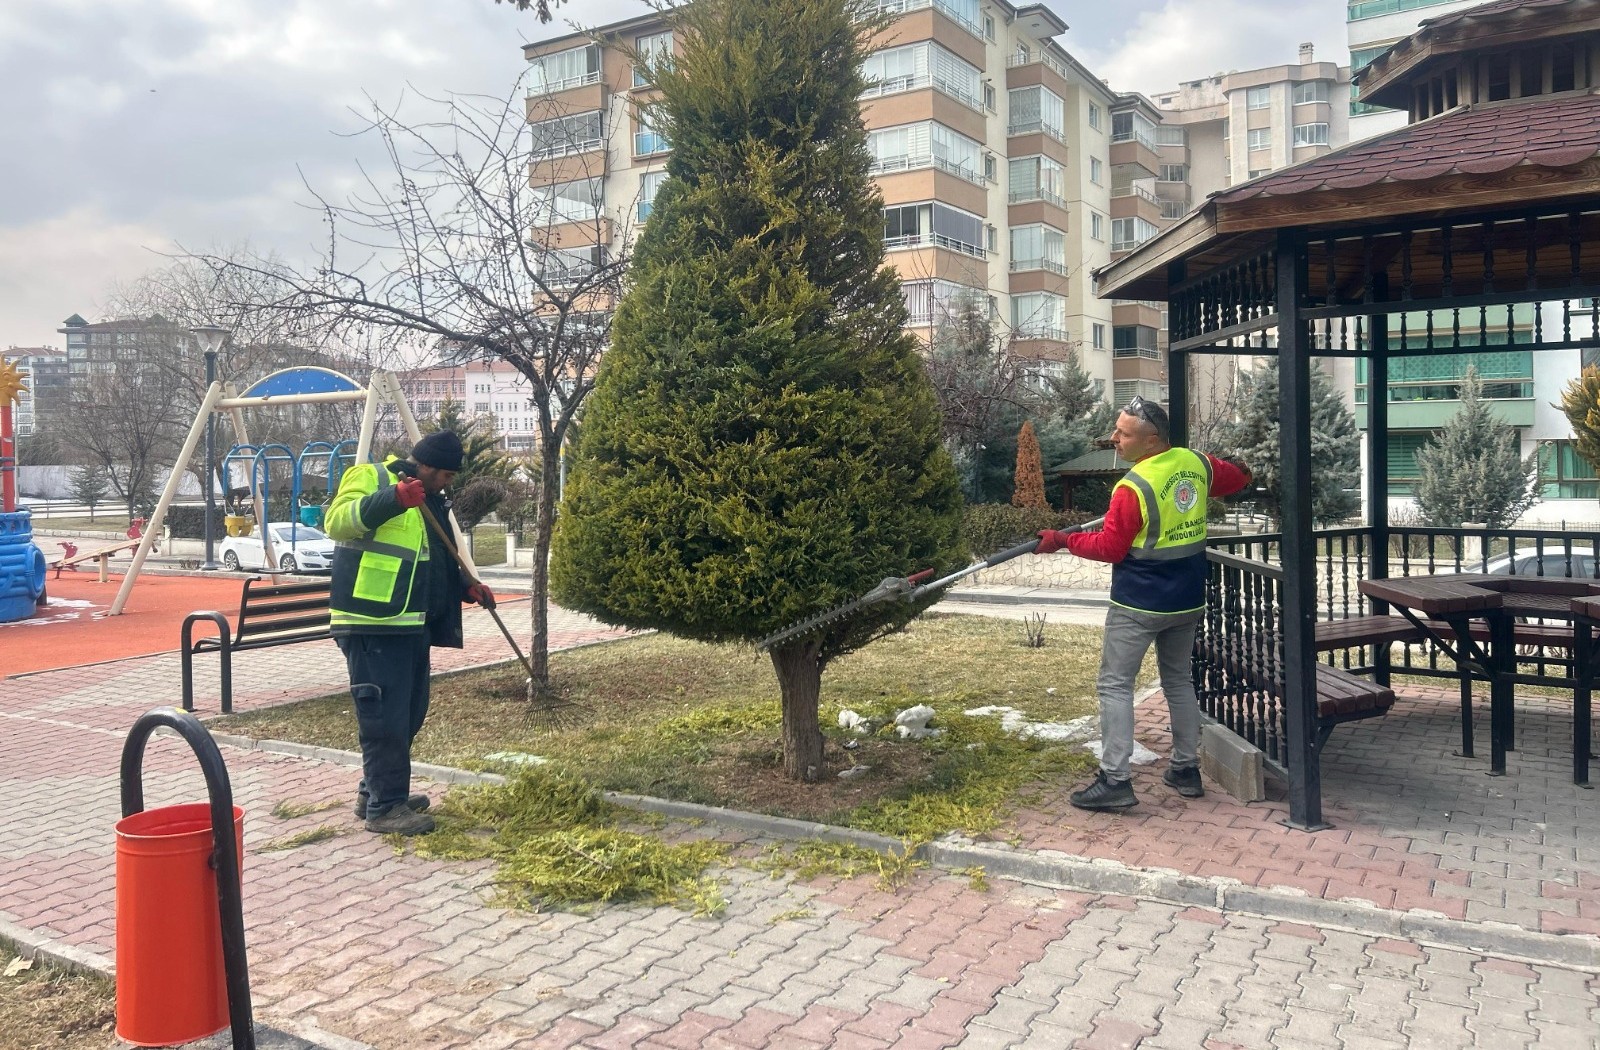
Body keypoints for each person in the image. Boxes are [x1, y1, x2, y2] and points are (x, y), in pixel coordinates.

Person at [1035, 397, 1251, 811]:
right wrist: (1244, 469)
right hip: (1187, 601)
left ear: (1151, 440)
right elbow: (1236, 478)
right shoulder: (1196, 464)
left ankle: (1115, 779)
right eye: (1116, 430)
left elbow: (1112, 547)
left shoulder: (1133, 487)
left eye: (1123, 433)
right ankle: (1185, 769)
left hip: (1138, 605)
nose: (1115, 438)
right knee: (1178, 680)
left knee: (1115, 685)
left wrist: (1062, 541)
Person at [325, 430, 496, 835]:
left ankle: (377, 791)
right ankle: (386, 808)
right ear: (431, 467)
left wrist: (464, 586)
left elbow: (430, 556)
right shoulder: (371, 477)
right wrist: (393, 499)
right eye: (449, 475)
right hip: (374, 619)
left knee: (408, 712)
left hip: (411, 621)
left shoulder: (432, 499)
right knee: (384, 714)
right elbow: (336, 523)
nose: (450, 482)